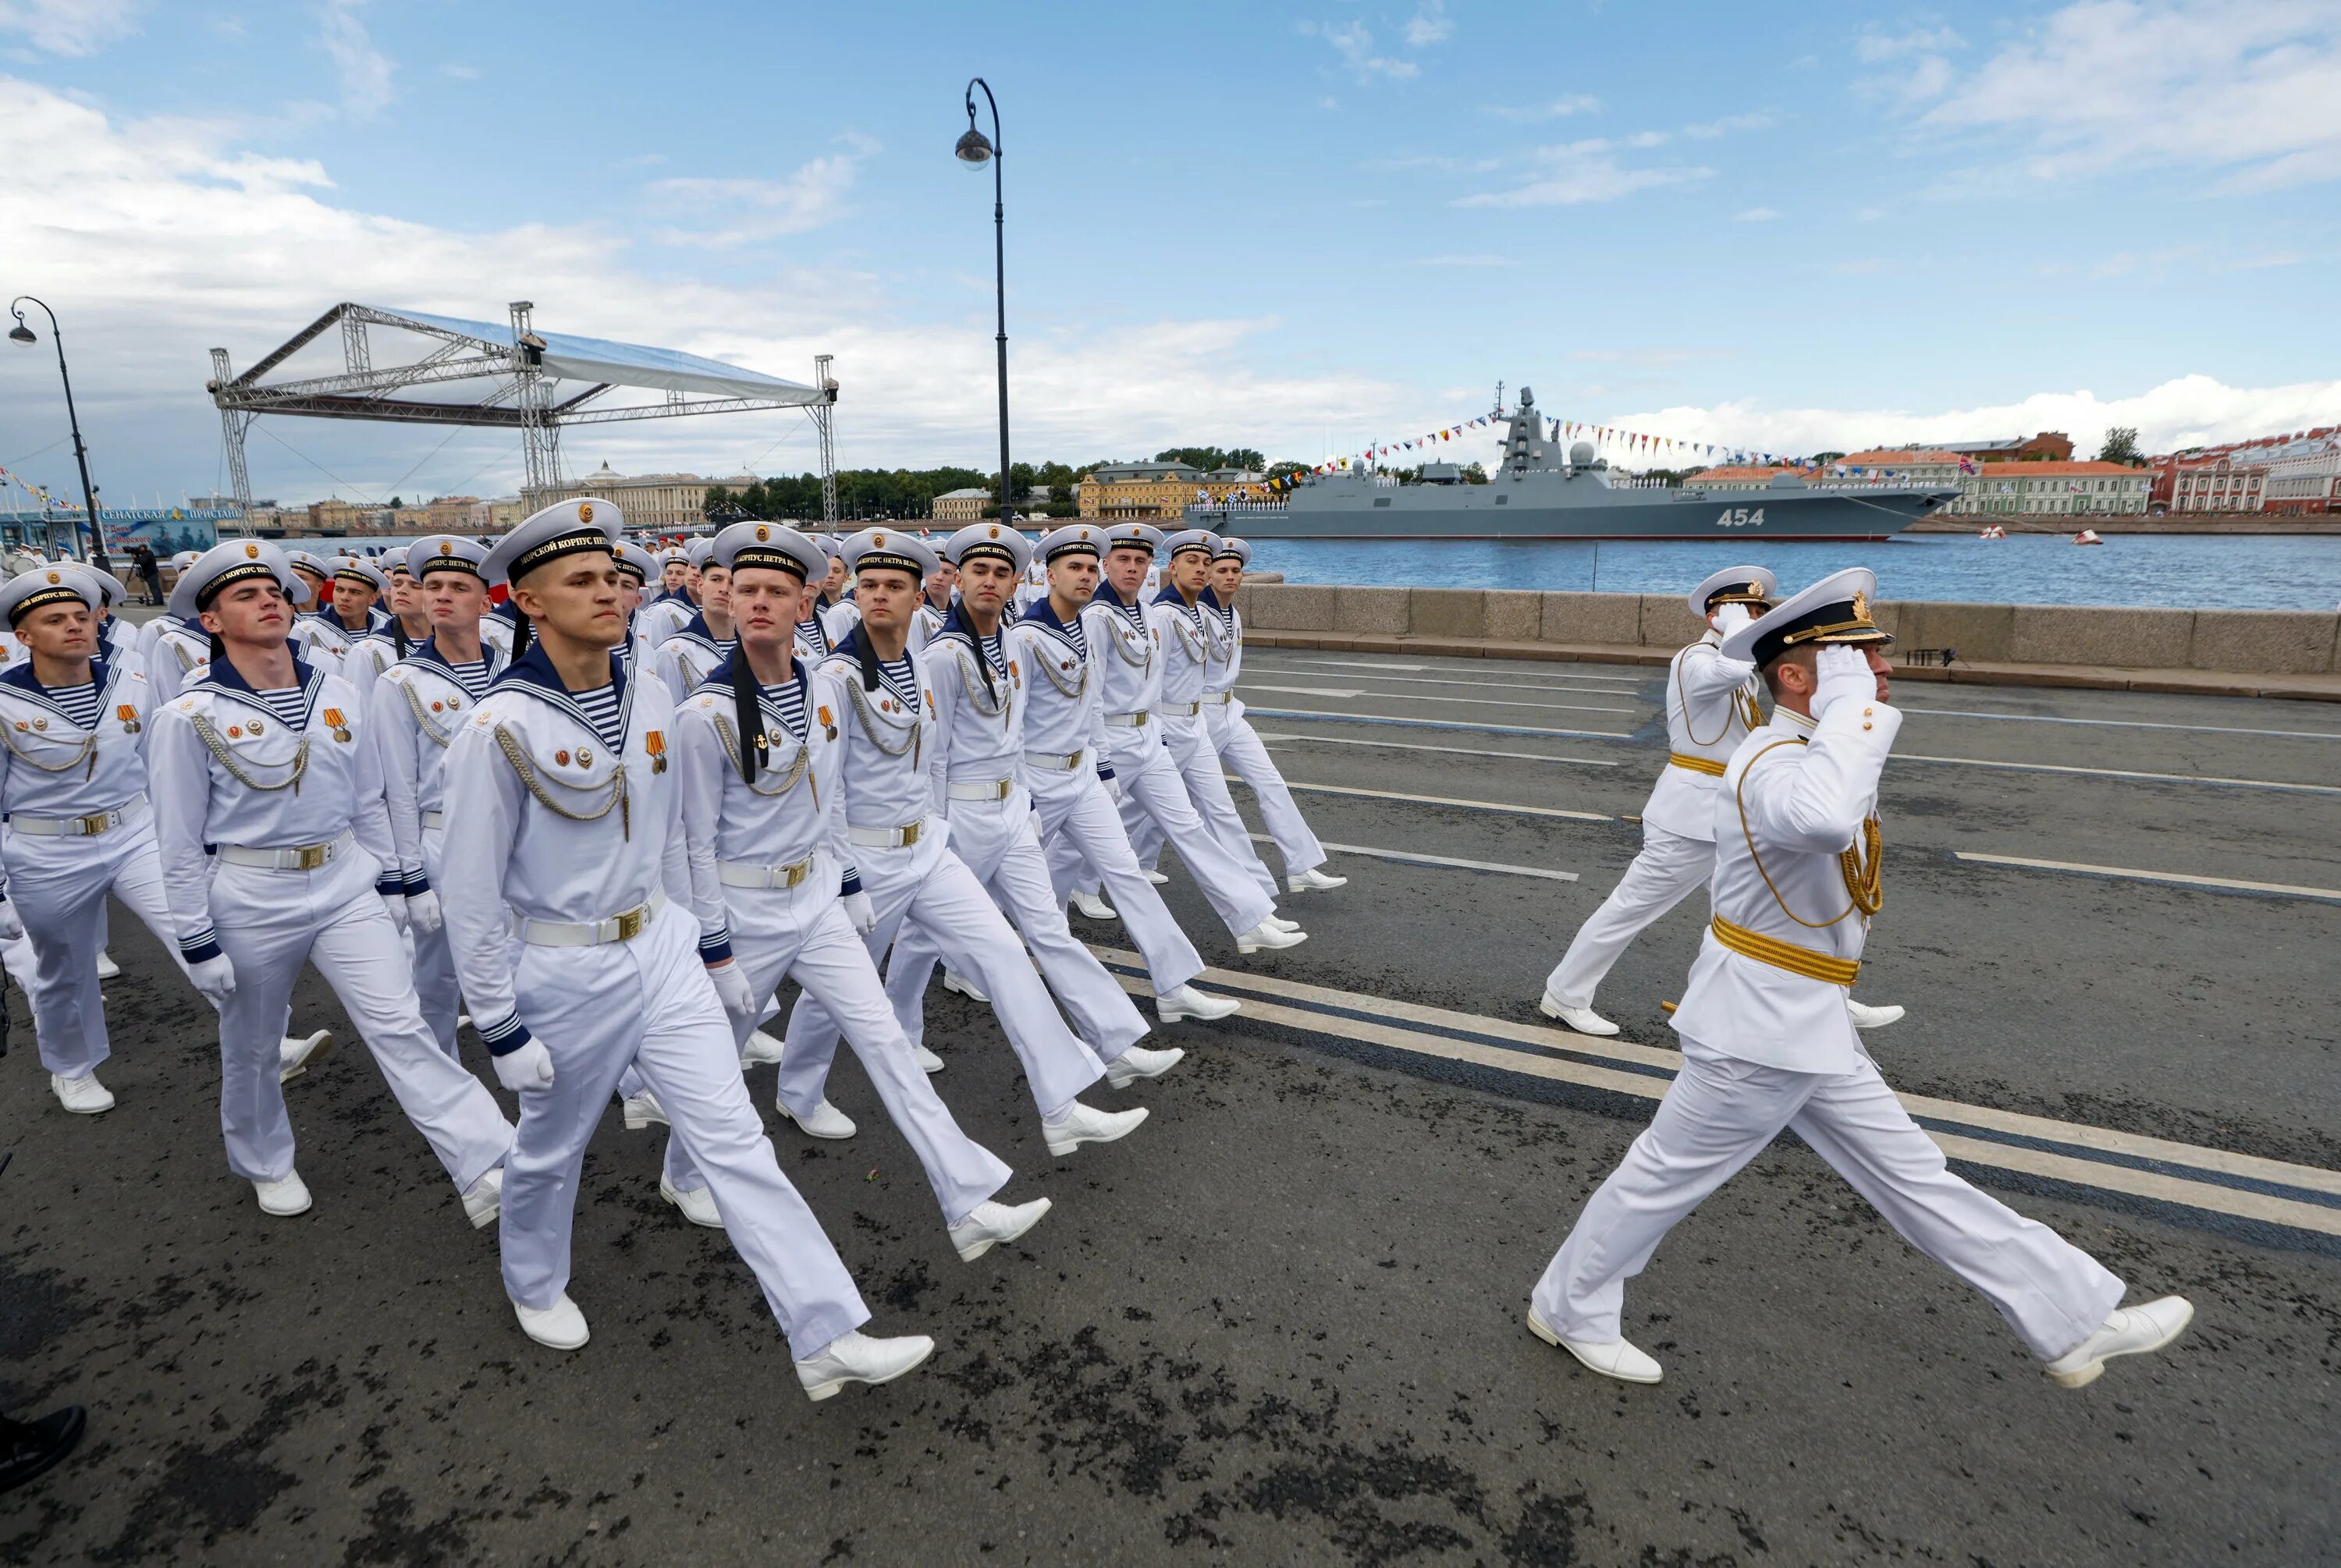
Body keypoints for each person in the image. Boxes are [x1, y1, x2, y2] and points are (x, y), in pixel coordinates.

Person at [1526, 569, 2194, 1391]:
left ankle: (2074, 1321)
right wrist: (1848, 710)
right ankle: (1568, 1306)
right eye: (1854, 659)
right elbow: (1821, 820)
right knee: (1661, 1179)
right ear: (1798, 678)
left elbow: (1843, 810)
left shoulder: (1814, 750)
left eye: (1874, 658)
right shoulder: (1767, 761)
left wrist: (1844, 712)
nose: (1880, 674)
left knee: (1914, 1178)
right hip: (1760, 1025)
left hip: (1804, 1017)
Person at [439, 501, 936, 1399]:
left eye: (609, 578)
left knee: (736, 1139)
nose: (608, 594)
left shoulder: (650, 692)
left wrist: (705, 947)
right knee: (554, 1147)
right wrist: (500, 1025)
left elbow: (670, 835)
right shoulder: (498, 728)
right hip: (563, 964)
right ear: (531, 603)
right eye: (579, 582)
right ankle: (533, 1279)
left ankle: (825, 1332)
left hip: (660, 946)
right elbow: (467, 890)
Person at [664, 519, 1050, 1261]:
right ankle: (682, 1173)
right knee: (720, 1065)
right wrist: (711, 945)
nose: (758, 603)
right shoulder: (703, 716)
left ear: (805, 604)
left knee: (886, 1044)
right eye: (746, 590)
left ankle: (968, 1200)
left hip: (814, 902)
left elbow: (829, 795)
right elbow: (690, 842)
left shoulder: (821, 691)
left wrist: (843, 880)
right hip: (744, 915)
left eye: (777, 591)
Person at [149, 540, 513, 1222]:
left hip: (344, 881)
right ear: (213, 623)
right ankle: (264, 1160)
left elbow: (369, 799)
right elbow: (176, 841)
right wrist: (195, 938)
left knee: (400, 1023)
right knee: (254, 1046)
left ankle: (488, 1161)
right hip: (254, 894)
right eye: (246, 597)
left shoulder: (338, 690)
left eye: (275, 593)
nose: (268, 603)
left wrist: (394, 884)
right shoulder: (189, 717)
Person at [775, 528, 1147, 1158]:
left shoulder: (919, 667)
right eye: (869, 585)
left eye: (895, 586)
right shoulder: (835, 677)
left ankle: (1061, 1106)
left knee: (1006, 954)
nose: (879, 596)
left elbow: (936, 760)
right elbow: (824, 786)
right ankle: (799, 1090)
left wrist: (955, 825)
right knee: (838, 986)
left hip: (928, 848)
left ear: (921, 595)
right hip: (866, 855)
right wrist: (842, 875)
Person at [1537, 567, 1903, 1039]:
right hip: (1690, 812)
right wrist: (1735, 631)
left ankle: (1828, 999)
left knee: (1762, 922)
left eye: (1758, 612)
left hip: (1734, 810)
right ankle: (1565, 995)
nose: (1754, 620)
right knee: (1630, 909)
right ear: (1717, 613)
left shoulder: (1736, 664)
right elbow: (1727, 672)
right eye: (1746, 611)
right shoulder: (1696, 657)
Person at [881, 522, 1185, 1082]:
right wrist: (938, 824)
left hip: (1013, 806)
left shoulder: (1011, 645)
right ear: (960, 579)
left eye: (1001, 574)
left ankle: (1115, 1044)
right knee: (923, 935)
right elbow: (934, 751)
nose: (991, 582)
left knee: (1049, 928)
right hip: (962, 812)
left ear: (1017, 580)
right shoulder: (946, 655)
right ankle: (901, 1030)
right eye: (979, 572)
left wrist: (1030, 796)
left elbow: (1017, 732)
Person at [1010, 524, 1239, 1023]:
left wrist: (1103, 762)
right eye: (1076, 567)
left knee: (1127, 874)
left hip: (1083, 774)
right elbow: (1010, 724)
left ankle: (1174, 986)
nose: (1087, 576)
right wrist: (1021, 791)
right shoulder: (1026, 637)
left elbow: (1092, 702)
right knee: (985, 881)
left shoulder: (1082, 628)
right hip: (1036, 776)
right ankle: (960, 960)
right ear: (1049, 574)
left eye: (1092, 568)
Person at [1066, 523, 1301, 956]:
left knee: (1191, 828)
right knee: (1068, 846)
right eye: (1123, 560)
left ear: (1152, 566)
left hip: (1150, 737)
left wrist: (1158, 736)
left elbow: (1156, 685)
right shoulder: (1097, 619)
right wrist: (1100, 760)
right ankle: (1030, 918)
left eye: (1140, 561)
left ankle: (1250, 917)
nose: (1133, 568)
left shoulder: (1151, 616)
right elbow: (1092, 696)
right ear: (1106, 566)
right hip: (1112, 741)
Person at [372, 535, 508, 1059]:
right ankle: (444, 1079)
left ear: (485, 600)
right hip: (441, 839)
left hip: (514, 838)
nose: (442, 595)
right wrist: (411, 878)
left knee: (528, 964)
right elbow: (398, 789)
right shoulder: (401, 682)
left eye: (458, 585)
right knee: (438, 980)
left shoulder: (514, 671)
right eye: (433, 586)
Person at [1193, 535, 1345, 895]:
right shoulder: (1195, 614)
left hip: (1231, 713)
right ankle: (1110, 867)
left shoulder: (1233, 613)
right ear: (1209, 575)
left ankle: (1301, 866)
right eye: (1222, 570)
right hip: (1200, 716)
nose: (1231, 576)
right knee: (1156, 803)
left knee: (1270, 782)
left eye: (1236, 570)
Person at [652, 555, 736, 701]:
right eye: (716, 580)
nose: (724, 589)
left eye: (733, 583)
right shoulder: (672, 654)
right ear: (700, 585)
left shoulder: (754, 649)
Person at [132, 542, 163, 607]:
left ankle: (157, 601)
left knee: (154, 588)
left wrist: (135, 558)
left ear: (144, 548)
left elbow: (142, 562)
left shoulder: (147, 554)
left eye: (141, 548)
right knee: (156, 587)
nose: (139, 549)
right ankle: (160, 601)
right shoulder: (147, 553)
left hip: (151, 573)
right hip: (151, 573)